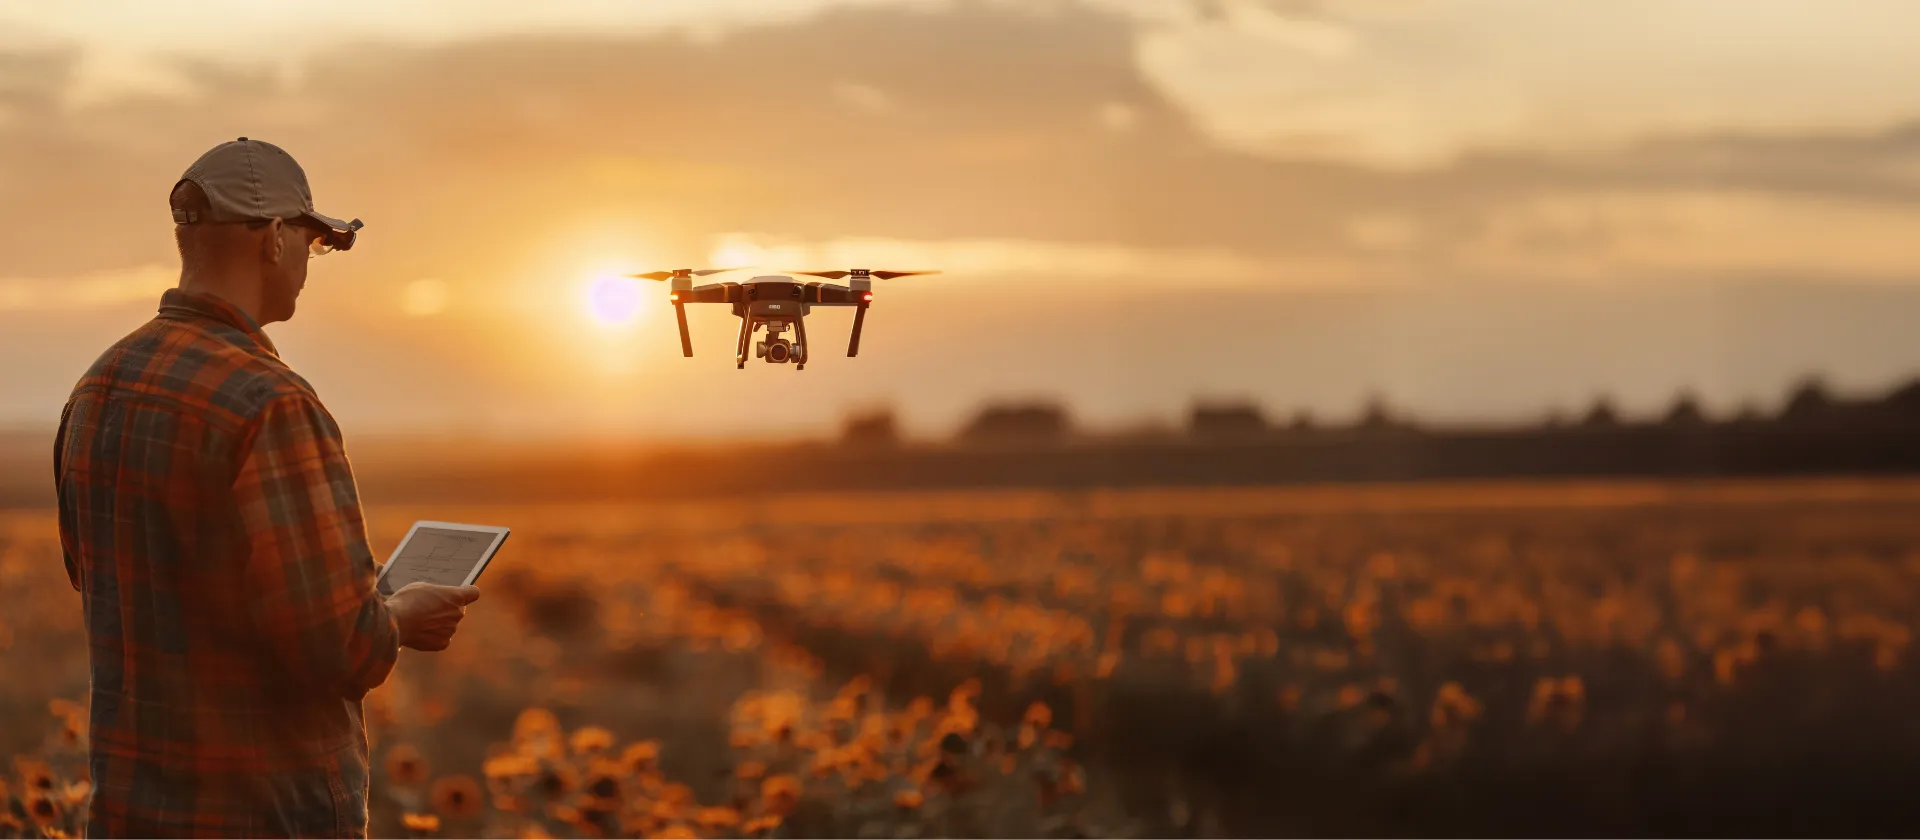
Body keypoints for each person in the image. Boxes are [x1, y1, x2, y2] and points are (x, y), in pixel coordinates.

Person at [52, 138, 480, 838]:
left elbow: (99, 575)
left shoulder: (99, 384)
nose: (308, 268)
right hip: (261, 811)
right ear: (276, 239)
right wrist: (399, 617)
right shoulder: (269, 402)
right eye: (312, 245)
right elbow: (342, 646)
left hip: (131, 805)